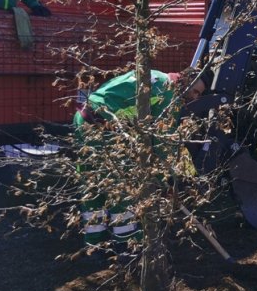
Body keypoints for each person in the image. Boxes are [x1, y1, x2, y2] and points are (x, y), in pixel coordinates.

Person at [73, 69, 206, 249]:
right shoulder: (169, 96)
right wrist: (165, 180)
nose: (195, 97)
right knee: (122, 188)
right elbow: (162, 143)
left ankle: (95, 245)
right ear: (185, 81)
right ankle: (127, 247)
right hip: (104, 128)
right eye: (195, 91)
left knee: (93, 183)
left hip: (83, 117)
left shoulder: (155, 74)